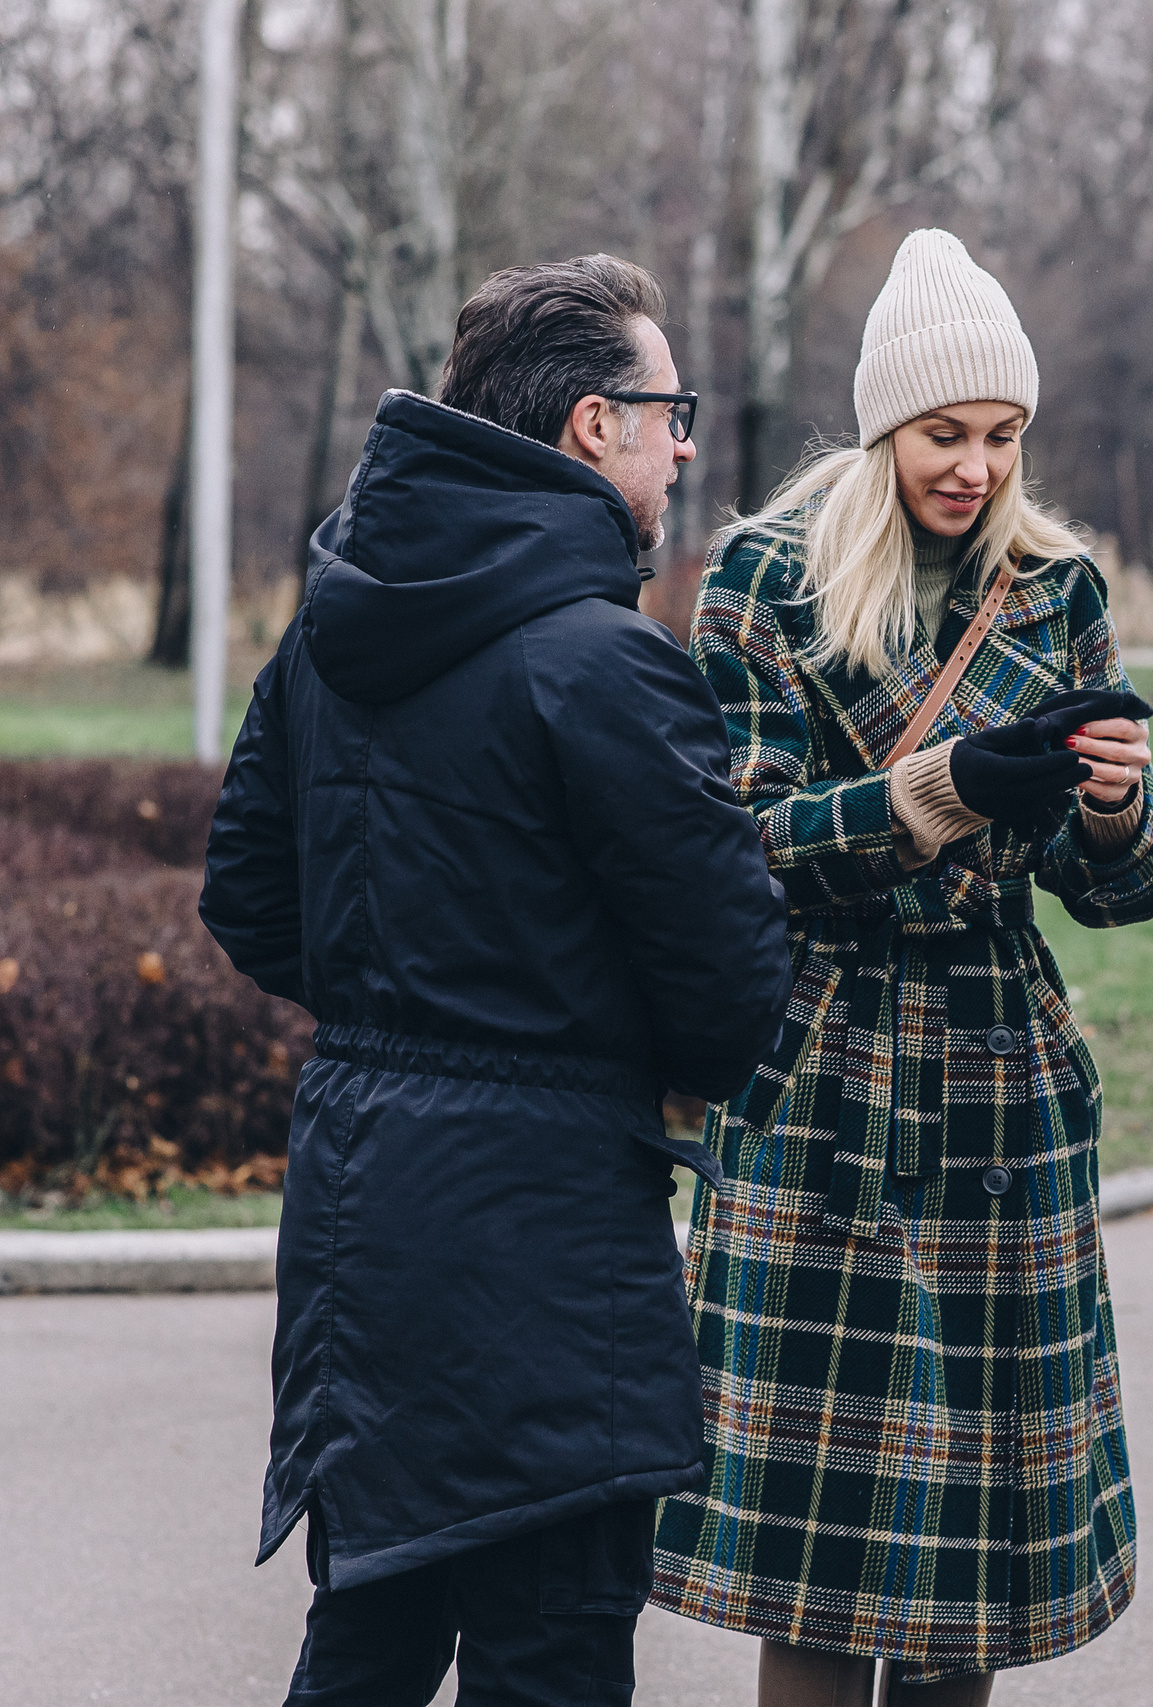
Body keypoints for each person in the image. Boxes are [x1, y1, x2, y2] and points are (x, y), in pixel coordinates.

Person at [199, 253, 793, 1706]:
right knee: (551, 1653)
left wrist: (400, 1003)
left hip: (361, 1222)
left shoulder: (329, 638)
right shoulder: (608, 667)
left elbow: (248, 899)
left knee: (368, 1640)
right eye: (670, 414)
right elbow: (731, 997)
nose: (685, 446)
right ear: (595, 424)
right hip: (548, 1249)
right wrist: (567, 1039)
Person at [647, 229, 1153, 1707]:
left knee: (971, 1576)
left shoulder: (1053, 587)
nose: (979, 468)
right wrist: (939, 791)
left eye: (1005, 436)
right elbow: (742, 840)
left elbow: (1127, 891)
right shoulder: (765, 576)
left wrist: (1114, 804)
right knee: (819, 1568)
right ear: (886, 422)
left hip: (1004, 1086)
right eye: (948, 433)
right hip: (825, 1077)